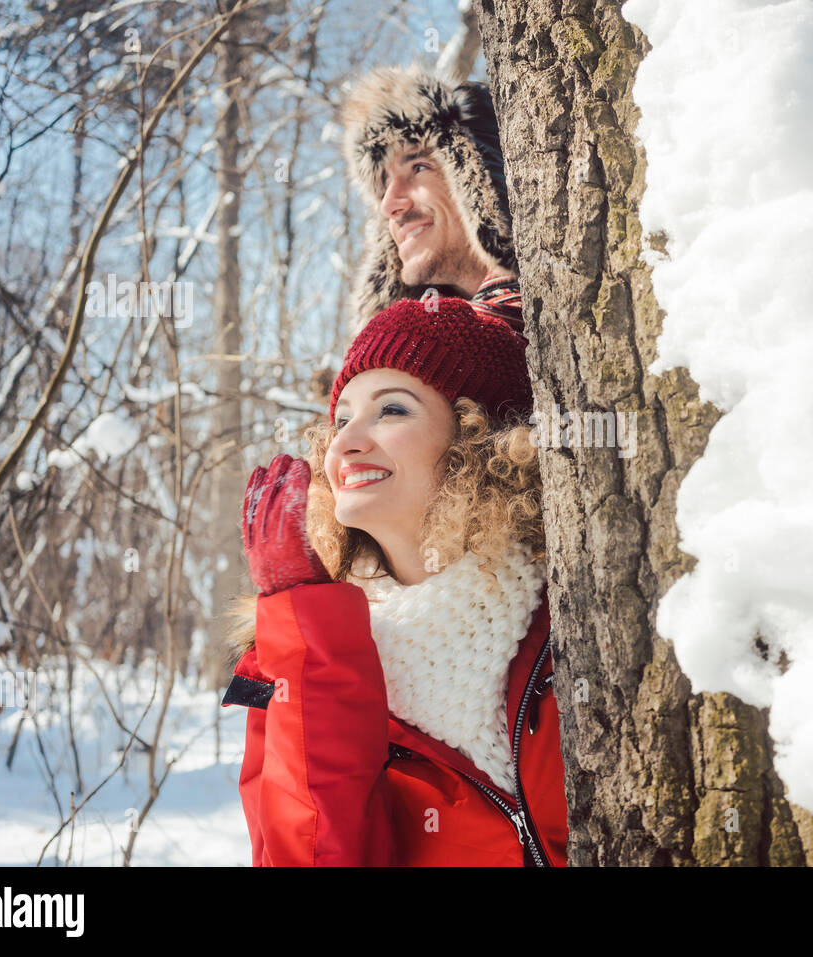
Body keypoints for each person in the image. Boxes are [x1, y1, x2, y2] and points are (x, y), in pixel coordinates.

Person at [222, 297, 567, 866]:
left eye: (391, 410)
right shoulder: (290, 660)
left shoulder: (575, 613)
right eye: (340, 419)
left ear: (478, 438)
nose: (346, 442)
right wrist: (307, 633)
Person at [339, 65, 523, 334]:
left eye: (419, 167)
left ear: (482, 183)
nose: (388, 205)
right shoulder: (407, 346)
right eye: (383, 185)